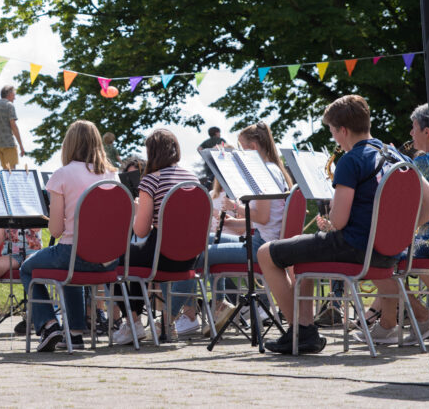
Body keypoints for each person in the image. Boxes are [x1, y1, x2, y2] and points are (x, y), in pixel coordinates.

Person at [256, 95, 429, 354]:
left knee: (266, 253)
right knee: (303, 257)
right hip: (389, 251)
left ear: (343, 130)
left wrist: (330, 221)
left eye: (332, 131)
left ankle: (301, 332)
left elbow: (340, 221)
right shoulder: (397, 157)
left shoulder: (351, 160)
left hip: (355, 247)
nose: (333, 138)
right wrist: (396, 230)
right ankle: (304, 326)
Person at [356, 104, 429, 345]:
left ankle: (417, 320)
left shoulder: (428, 162)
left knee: (377, 256)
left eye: (414, 129)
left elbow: (399, 202)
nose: (411, 134)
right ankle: (389, 324)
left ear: (427, 132)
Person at [171, 122, 292, 336]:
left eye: (242, 147)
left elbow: (262, 217)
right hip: (264, 240)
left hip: (261, 246)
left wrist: (235, 207)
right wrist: (230, 222)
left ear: (253, 147)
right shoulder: (275, 169)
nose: (241, 153)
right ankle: (216, 307)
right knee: (201, 240)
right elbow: (264, 219)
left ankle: (177, 318)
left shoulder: (264, 172)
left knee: (189, 255)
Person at [20, 120, 118, 352]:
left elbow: (55, 231)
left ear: (69, 144)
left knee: (27, 268)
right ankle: (73, 335)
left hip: (74, 254)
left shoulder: (62, 175)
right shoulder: (113, 175)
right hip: (108, 261)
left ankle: (49, 325)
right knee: (69, 269)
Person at [111, 129, 203, 346]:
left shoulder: (151, 181)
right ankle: (144, 323)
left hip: (161, 256)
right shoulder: (193, 178)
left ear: (151, 152)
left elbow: (141, 231)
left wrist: (136, 210)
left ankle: (133, 323)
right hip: (190, 258)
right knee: (132, 258)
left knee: (118, 256)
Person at [0, 226, 42, 335]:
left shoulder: (32, 208)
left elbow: (37, 228)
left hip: (32, 251)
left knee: (30, 265)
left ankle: (34, 316)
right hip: (12, 254)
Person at [0, 85, 25, 169]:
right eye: (14, 95)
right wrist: (21, 146)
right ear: (9, 94)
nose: (14, 98)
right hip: (8, 144)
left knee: (5, 172)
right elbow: (13, 126)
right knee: (11, 173)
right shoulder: (9, 105)